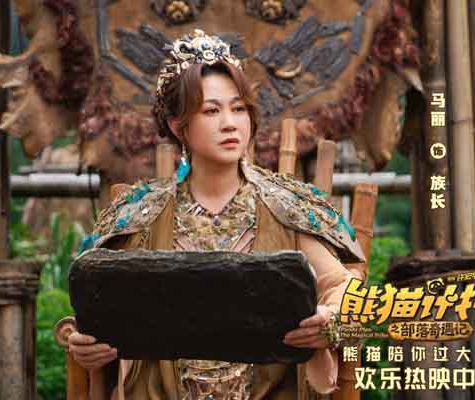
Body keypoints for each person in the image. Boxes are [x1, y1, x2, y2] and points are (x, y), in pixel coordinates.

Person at [68, 29, 365, 400]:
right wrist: (87, 347)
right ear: (177, 125)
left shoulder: (286, 206)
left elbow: (345, 289)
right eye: (212, 110)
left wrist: (331, 321)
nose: (230, 123)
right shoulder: (139, 216)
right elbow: (96, 307)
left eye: (238, 108)